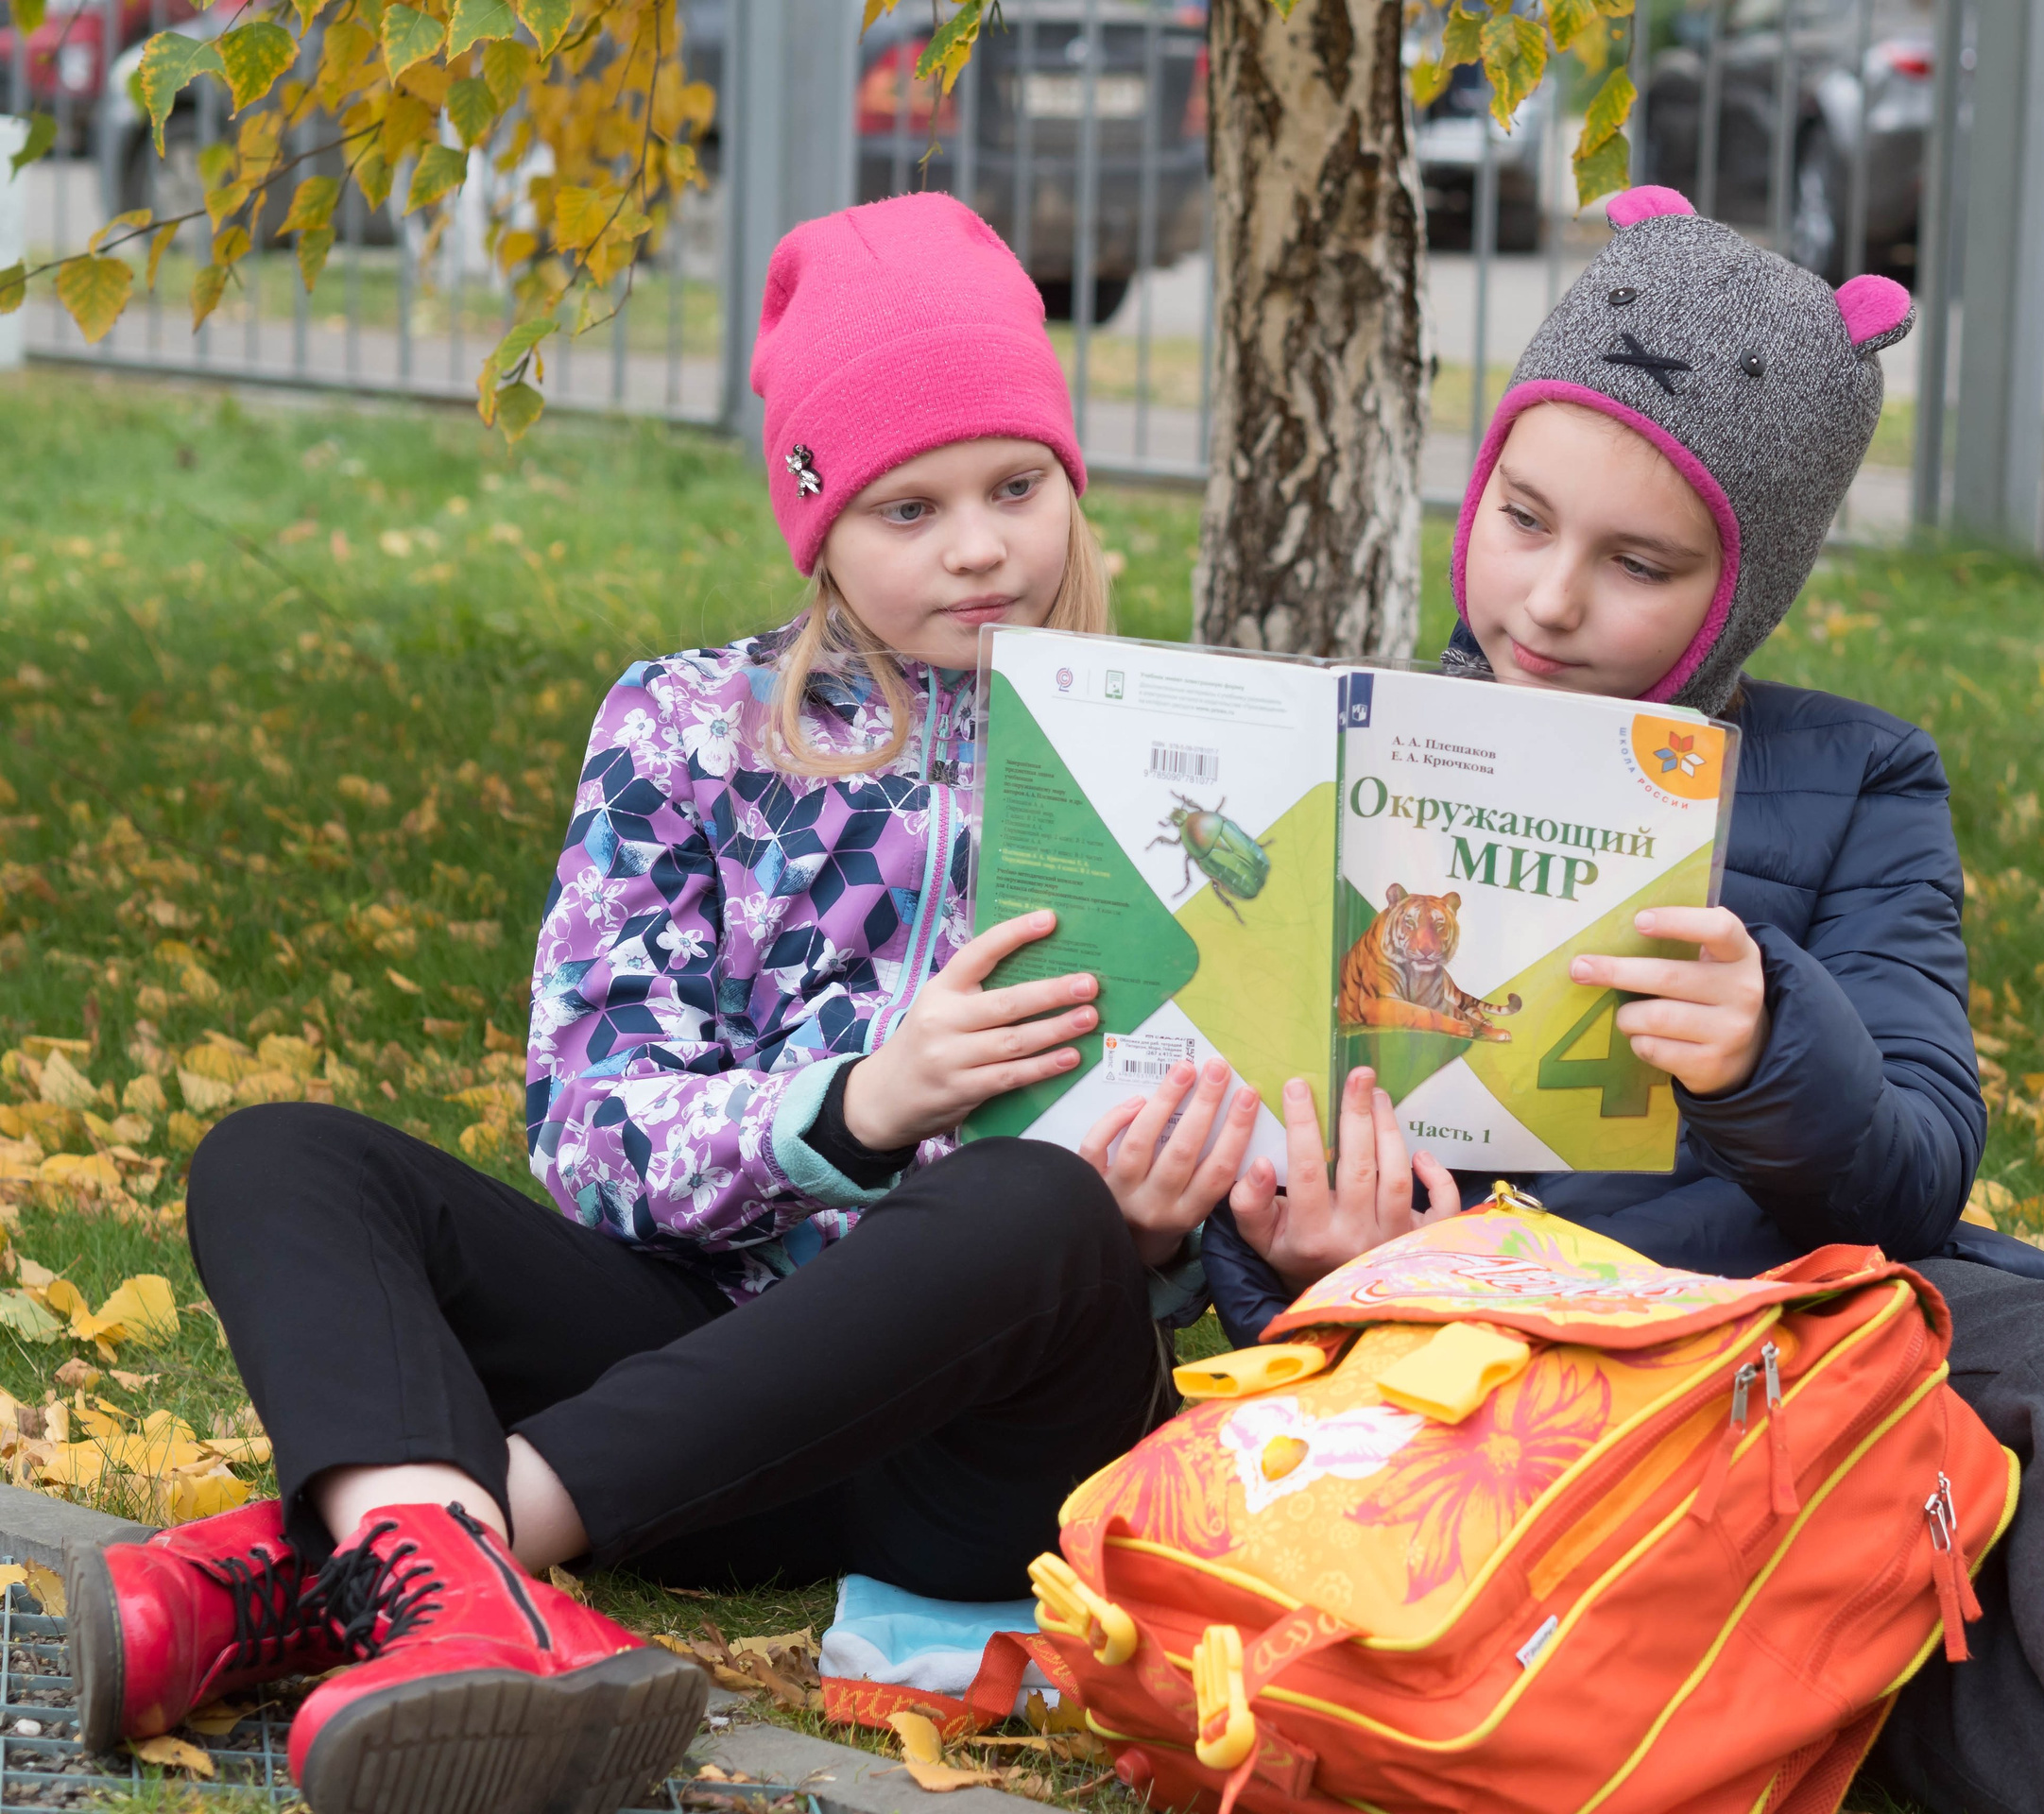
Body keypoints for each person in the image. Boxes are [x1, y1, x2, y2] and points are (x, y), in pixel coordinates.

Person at [1201, 187, 2044, 1814]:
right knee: (1858, 1607)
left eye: (1637, 563)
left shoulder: (1859, 777)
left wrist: (1775, 1048)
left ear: (1746, 584)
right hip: (1491, 1372)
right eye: (1522, 519)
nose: (1549, 599)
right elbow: (1240, 1156)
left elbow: (1915, 1170)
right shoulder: (1350, 757)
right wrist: (1308, 1262)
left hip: (1799, 1336)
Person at [65, 193, 1258, 1814]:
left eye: (1017, 487)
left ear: (1070, 481)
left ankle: (407, 1564)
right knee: (280, 1158)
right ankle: (452, 1581)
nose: (981, 546)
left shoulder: (1168, 760)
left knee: (1033, 1203)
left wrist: (1168, 1233)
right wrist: (855, 1107)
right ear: (816, 520)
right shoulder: (687, 728)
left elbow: (1232, 1149)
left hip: (978, 1450)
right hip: (688, 1376)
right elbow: (591, 1130)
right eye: (909, 507)